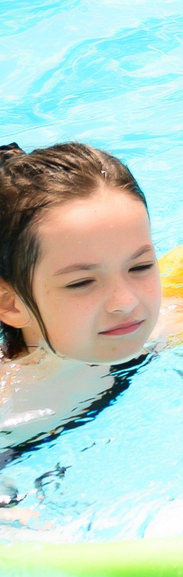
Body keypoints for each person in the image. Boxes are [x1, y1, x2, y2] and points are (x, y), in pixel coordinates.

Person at [0, 142, 160, 457]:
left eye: (140, 267)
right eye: (81, 283)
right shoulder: (10, 411)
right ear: (10, 304)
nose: (126, 302)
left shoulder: (160, 327)